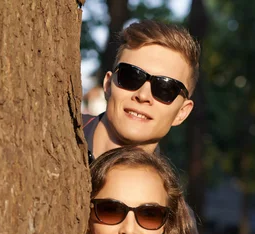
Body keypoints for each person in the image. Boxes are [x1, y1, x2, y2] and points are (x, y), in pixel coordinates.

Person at [83, 20, 200, 164]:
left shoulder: (162, 186)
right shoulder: (54, 133)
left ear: (182, 112)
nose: (143, 95)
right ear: (107, 84)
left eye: (164, 88)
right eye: (131, 77)